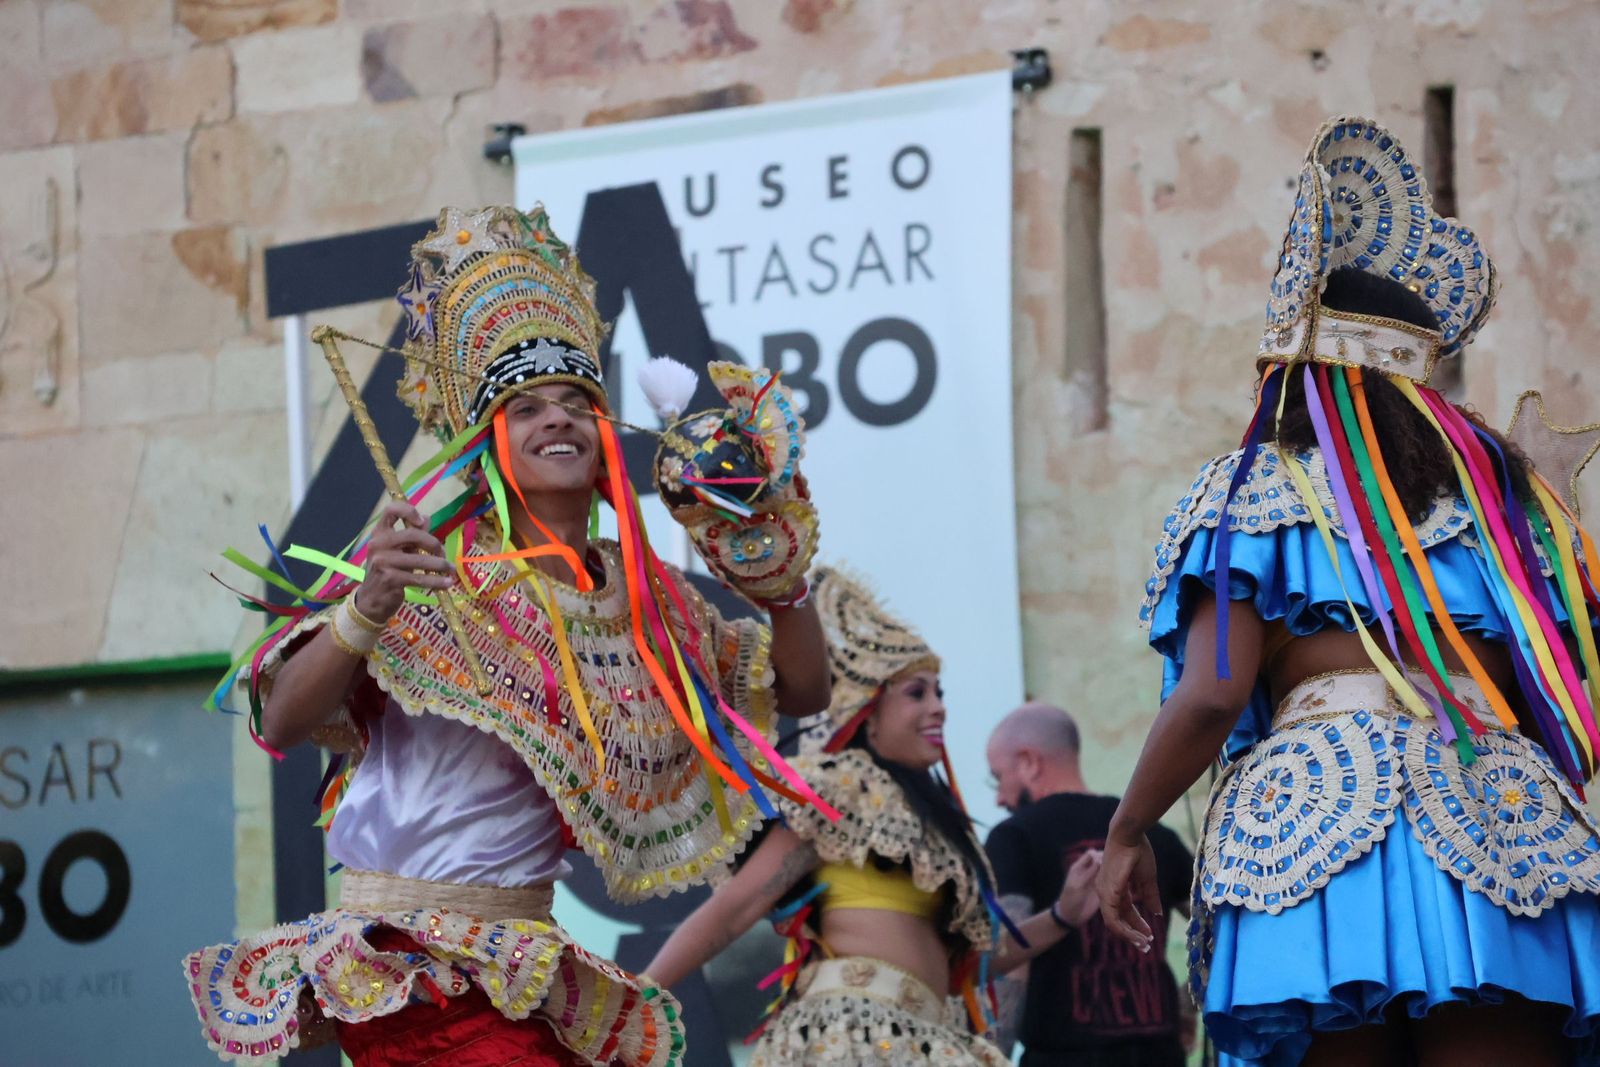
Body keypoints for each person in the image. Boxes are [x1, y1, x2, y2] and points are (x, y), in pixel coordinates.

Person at [181, 203, 832, 1066]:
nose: (555, 418)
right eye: (526, 407)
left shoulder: (644, 600)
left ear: (607, 440)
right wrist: (364, 608)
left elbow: (802, 690)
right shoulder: (425, 567)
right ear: (490, 441)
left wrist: (778, 579)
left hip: (522, 962)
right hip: (409, 965)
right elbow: (282, 724)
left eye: (575, 403)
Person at [1100, 116, 1600, 1067]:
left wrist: (1129, 828)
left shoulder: (1257, 489)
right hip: (1501, 807)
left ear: (1292, 374)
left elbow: (1211, 693)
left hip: (1323, 820)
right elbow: (1563, 690)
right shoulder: (1507, 507)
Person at [644, 567, 1102, 1066]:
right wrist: (639, 995)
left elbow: (970, 964)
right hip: (851, 1037)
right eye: (916, 693)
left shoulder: (941, 829)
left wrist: (1062, 915)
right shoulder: (839, 791)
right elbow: (733, 910)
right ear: (869, 712)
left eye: (939, 693)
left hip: (928, 1043)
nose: (938, 709)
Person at [984, 702, 1193, 1067]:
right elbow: (1225, 934)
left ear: (1029, 762)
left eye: (998, 778)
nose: (1000, 798)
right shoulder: (1153, 834)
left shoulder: (1014, 837)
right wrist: (1185, 1006)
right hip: (1160, 1056)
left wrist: (991, 1053)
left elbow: (1010, 959)